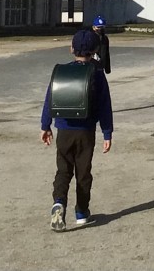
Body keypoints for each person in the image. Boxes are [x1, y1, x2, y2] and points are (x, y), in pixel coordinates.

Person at [40, 29, 113, 231]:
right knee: (83, 172)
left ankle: (59, 201)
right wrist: (107, 132)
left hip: (64, 130)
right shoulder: (97, 74)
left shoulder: (61, 72)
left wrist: (45, 125)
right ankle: (81, 211)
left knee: (63, 169)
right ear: (95, 51)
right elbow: (105, 106)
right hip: (86, 131)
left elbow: (49, 99)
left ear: (71, 49)